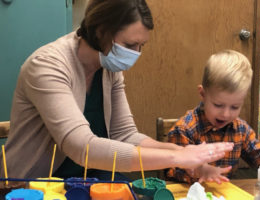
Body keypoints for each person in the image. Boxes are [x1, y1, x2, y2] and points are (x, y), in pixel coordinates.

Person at [0, 0, 233, 180]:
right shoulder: (47, 65)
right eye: (130, 45)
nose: (136, 54)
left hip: (86, 178)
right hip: (29, 185)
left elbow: (126, 135)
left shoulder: (109, 65)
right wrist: (176, 157)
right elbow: (83, 147)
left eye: (141, 46)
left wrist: (185, 154)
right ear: (101, 31)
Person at [167, 49, 260, 184]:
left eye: (235, 107)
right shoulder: (184, 129)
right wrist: (197, 170)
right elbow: (172, 171)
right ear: (203, 94)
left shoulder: (240, 129)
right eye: (218, 105)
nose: (226, 114)